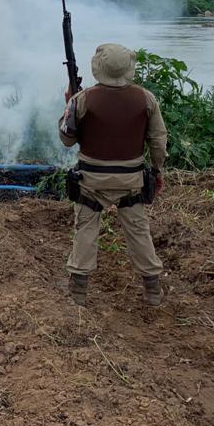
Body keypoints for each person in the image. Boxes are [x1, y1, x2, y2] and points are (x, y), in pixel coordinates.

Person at [59, 43, 167, 307]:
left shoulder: (82, 100)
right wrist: (157, 171)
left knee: (85, 230)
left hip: (91, 180)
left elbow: (66, 139)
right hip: (132, 179)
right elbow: (158, 142)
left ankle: (78, 292)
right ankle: (152, 288)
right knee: (139, 231)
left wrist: (68, 106)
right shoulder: (146, 98)